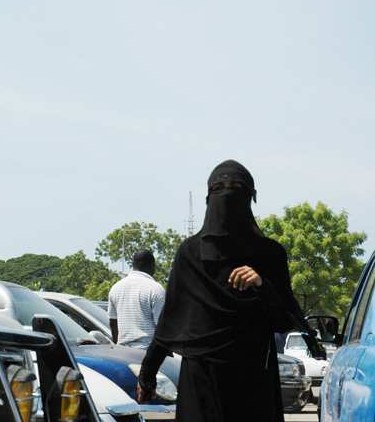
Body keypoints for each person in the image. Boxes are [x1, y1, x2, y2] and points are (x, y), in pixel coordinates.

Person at [137, 159, 322, 422]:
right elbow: (171, 320)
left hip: (253, 378)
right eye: (219, 187)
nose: (227, 193)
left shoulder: (270, 254)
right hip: (201, 376)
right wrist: (147, 373)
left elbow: (282, 322)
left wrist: (262, 285)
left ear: (250, 197)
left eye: (236, 186)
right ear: (208, 197)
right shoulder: (190, 254)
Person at [108, 248, 165, 349]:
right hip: (147, 352)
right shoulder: (156, 289)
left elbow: (113, 324)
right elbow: (162, 328)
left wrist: (118, 349)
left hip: (123, 353)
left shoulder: (116, 288)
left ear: (133, 264)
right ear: (152, 266)